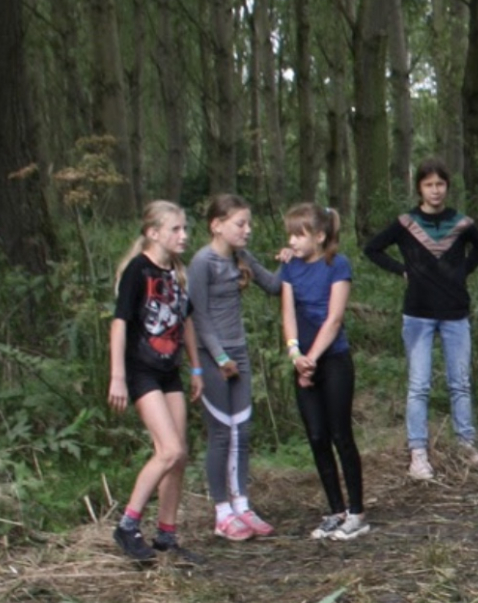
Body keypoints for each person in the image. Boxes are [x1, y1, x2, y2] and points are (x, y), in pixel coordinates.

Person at [365, 159, 478, 481]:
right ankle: (418, 452)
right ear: (419, 188)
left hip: (455, 312)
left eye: (440, 184)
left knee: (459, 383)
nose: (435, 190)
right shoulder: (406, 223)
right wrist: (402, 270)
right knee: (419, 385)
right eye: (428, 185)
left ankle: (466, 444)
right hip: (418, 313)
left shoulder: (461, 223)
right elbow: (373, 248)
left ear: (447, 187)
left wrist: (464, 271)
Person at [106, 200, 202, 563]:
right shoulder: (138, 270)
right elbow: (119, 323)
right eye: (176, 229)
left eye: (185, 229)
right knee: (169, 450)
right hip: (141, 370)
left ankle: (166, 535)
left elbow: (186, 321)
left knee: (180, 457)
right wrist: (117, 376)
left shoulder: (177, 271)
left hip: (169, 370)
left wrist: (195, 368)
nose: (184, 236)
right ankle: (127, 525)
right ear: (153, 233)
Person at [185, 193, 281, 539]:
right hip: (213, 356)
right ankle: (222, 512)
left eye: (248, 223)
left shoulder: (242, 257)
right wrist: (220, 357)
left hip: (239, 351)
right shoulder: (202, 262)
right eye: (241, 223)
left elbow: (274, 285)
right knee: (221, 432)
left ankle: (242, 504)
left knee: (242, 430)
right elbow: (198, 314)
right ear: (217, 225)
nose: (248, 230)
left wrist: (292, 259)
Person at [278, 202, 369, 541]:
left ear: (319, 236)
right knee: (316, 436)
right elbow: (287, 312)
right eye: (290, 234)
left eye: (298, 234)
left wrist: (313, 357)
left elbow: (334, 319)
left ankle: (357, 512)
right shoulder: (289, 268)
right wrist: (294, 353)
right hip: (302, 361)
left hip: (333, 360)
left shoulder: (337, 265)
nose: (292, 241)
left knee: (340, 434)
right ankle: (335, 509)